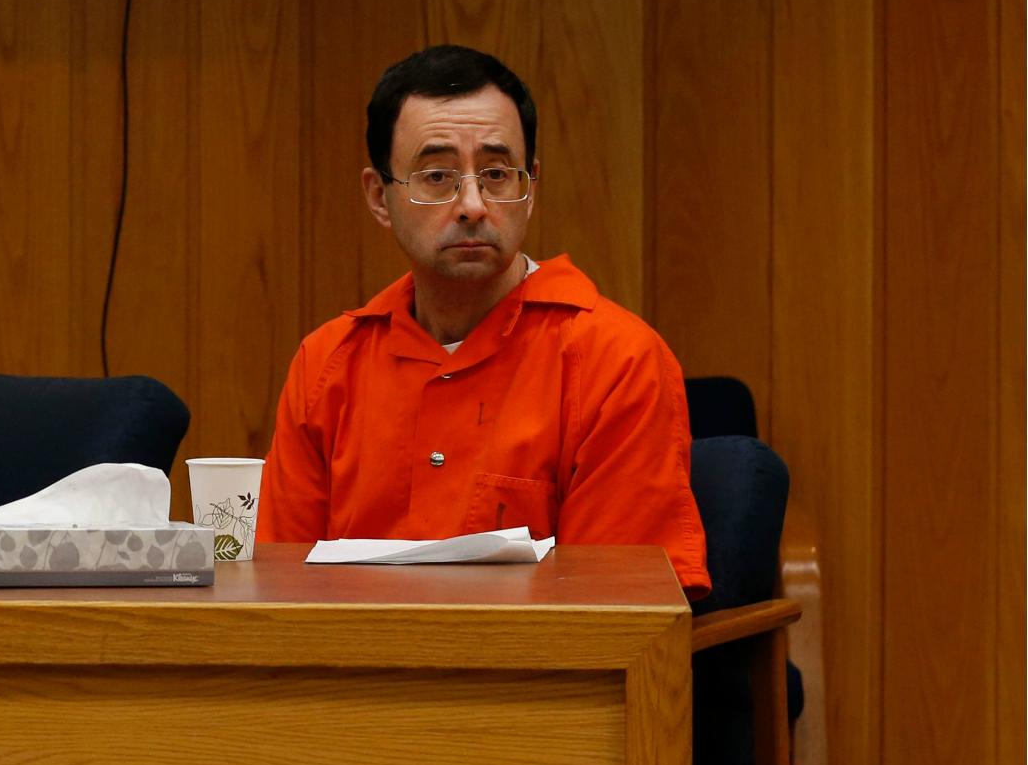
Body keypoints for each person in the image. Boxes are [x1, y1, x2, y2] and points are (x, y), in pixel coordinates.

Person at [256, 45, 709, 600]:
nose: (472, 203)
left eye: (496, 174)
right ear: (380, 197)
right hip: (354, 679)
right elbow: (279, 593)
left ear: (531, 187)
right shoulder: (329, 363)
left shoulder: (615, 359)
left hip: (541, 681)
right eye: (437, 175)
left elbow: (620, 612)